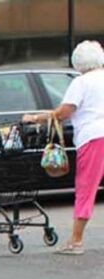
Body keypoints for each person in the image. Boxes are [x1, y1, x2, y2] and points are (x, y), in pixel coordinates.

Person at [23, 40, 104, 256]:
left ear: (78, 62)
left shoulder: (81, 82)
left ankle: (76, 241)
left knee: (86, 188)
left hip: (93, 137)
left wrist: (36, 118)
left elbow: (64, 112)